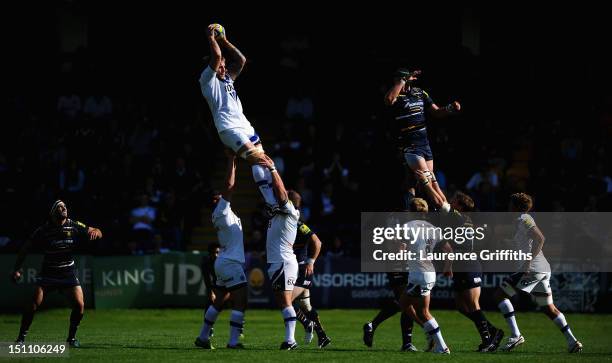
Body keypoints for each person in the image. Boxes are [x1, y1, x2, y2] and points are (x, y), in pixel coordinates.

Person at [199, 24, 282, 214]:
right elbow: (217, 57)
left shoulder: (227, 78)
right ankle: (272, 203)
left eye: (224, 64)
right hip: (229, 128)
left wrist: (224, 41)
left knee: (261, 159)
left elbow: (242, 60)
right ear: (210, 67)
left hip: (244, 125)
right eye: (219, 65)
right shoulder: (207, 81)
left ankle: (271, 202)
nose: (223, 66)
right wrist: (211, 38)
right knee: (258, 158)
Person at [494, 193, 583, 353]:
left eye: (510, 204)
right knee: (548, 308)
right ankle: (572, 341)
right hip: (540, 270)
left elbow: (540, 238)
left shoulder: (524, 219)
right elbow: (526, 243)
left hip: (532, 270)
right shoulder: (521, 221)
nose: (508, 207)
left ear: (515, 206)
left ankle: (515, 335)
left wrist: (527, 261)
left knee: (500, 295)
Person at [11, 200, 103, 347]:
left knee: (80, 305)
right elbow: (25, 248)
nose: (63, 208)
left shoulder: (73, 225)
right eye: (59, 207)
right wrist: (16, 268)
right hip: (49, 273)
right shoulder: (43, 230)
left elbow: (98, 231)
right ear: (52, 213)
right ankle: (21, 338)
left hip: (68, 272)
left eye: (65, 206)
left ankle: (71, 339)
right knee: (33, 304)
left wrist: (96, 233)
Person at [384, 68, 460, 210]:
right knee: (427, 185)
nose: (399, 82)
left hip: (425, 146)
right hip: (411, 147)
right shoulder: (394, 95)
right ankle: (446, 211)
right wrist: (401, 81)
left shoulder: (419, 92)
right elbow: (388, 100)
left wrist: (450, 108)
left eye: (400, 79)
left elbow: (437, 112)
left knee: (422, 183)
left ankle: (437, 213)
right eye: (398, 80)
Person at [195, 150, 247, 349]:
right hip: (230, 262)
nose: (222, 195)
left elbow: (228, 188)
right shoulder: (222, 209)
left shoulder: (222, 212)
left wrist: (234, 162)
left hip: (223, 261)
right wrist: (231, 159)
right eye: (218, 195)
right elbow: (230, 185)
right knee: (240, 301)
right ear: (216, 200)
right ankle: (233, 342)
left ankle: (202, 337)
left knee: (219, 301)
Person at [442, 191, 504, 352]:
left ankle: (487, 340)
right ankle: (492, 331)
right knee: (461, 306)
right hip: (461, 266)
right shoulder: (462, 220)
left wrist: (429, 181)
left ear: (460, 206)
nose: (451, 201)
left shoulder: (460, 217)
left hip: (468, 265)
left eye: (454, 200)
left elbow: (440, 202)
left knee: (473, 304)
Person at [399, 198, 451, 354]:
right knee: (405, 303)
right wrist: (448, 268)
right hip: (429, 272)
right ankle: (432, 338)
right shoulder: (434, 229)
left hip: (418, 274)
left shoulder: (408, 226)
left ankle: (441, 346)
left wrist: (401, 259)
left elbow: (402, 248)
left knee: (422, 311)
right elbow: (449, 251)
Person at [260, 155, 300, 350]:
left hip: (283, 262)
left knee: (285, 301)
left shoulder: (291, 211)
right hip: (277, 262)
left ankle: (291, 340)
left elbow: (282, 193)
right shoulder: (279, 214)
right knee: (281, 301)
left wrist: (273, 170)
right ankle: (299, 331)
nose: (278, 196)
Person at [290, 196, 332, 348]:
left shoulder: (299, 225)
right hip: (293, 269)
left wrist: (311, 261)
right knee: (306, 306)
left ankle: (308, 324)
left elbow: (317, 242)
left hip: (301, 269)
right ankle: (323, 336)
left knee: (286, 301)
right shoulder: (286, 225)